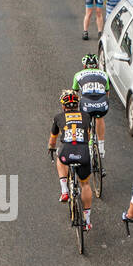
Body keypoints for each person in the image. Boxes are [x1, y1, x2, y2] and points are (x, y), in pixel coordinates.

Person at [47, 89, 93, 230]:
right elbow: (89, 135)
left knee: (60, 158)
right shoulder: (86, 116)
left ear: (63, 106)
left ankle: (64, 190)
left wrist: (51, 148)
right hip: (83, 151)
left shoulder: (58, 117)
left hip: (67, 151)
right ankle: (87, 221)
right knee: (85, 184)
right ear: (77, 104)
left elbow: (53, 139)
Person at [73, 54, 109, 163]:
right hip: (102, 102)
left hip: (86, 103)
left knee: (86, 119)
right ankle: (101, 148)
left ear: (85, 66)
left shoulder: (78, 75)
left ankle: (88, 147)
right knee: (99, 117)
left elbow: (75, 94)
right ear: (97, 65)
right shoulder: (104, 74)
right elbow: (107, 93)